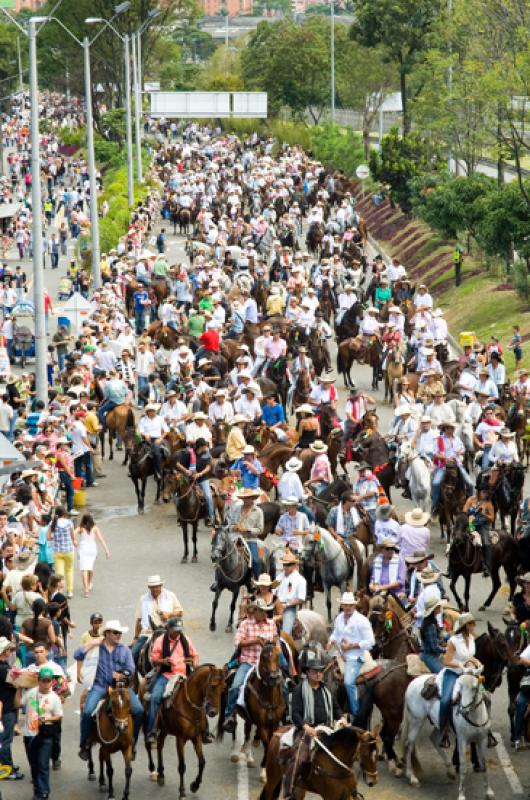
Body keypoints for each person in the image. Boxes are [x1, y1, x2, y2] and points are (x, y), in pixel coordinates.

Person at [75, 619, 144, 760]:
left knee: (139, 710)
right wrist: (92, 643)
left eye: (120, 633)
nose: (119, 635)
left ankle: (133, 742)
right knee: (87, 711)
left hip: (120, 688)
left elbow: (130, 668)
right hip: (100, 686)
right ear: (107, 634)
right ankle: (85, 744)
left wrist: (122, 674)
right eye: (115, 633)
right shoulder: (96, 647)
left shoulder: (124, 650)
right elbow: (77, 655)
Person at [281, 651, 345, 800]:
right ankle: (289, 789)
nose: (319, 674)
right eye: (315, 671)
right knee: (299, 756)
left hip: (327, 729)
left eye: (321, 671)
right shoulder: (299, 690)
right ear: (308, 673)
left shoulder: (326, 690)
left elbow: (336, 708)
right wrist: (305, 726)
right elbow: (295, 713)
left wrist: (342, 717)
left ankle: (348, 789)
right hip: (306, 731)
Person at [222, 598, 278, 732]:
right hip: (249, 661)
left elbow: (275, 639)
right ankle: (229, 715)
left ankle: (284, 713)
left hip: (266, 662)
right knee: (235, 686)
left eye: (266, 611)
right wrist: (256, 641)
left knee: (284, 684)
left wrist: (271, 644)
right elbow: (237, 642)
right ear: (255, 611)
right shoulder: (246, 624)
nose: (265, 614)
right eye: (262, 611)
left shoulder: (271, 624)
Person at [146, 617, 199, 743]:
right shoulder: (160, 641)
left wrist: (194, 663)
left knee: (200, 695)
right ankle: (151, 731)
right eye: (175, 630)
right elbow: (154, 659)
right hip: (167, 675)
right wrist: (163, 661)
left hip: (184, 674)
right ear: (168, 628)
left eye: (179, 630)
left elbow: (195, 655)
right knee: (155, 698)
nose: (178, 633)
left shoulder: (185, 639)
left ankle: (204, 729)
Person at [327, 592, 375, 718]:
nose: (347, 607)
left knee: (348, 682)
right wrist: (330, 641)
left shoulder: (362, 621)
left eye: (350, 605)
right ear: (342, 605)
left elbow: (371, 642)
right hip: (339, 653)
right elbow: (336, 634)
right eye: (345, 605)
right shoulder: (339, 618)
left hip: (354, 656)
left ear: (354, 606)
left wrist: (352, 646)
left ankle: (356, 712)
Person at [439, 613, 482, 748]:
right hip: (453, 673)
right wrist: (460, 665)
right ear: (465, 626)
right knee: (446, 699)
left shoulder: (471, 638)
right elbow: (447, 661)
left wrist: (477, 662)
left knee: (484, 695)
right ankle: (443, 731)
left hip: (469, 672)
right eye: (471, 623)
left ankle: (484, 727)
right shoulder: (453, 641)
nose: (474, 626)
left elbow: (470, 656)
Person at [23, 666, 63, 800]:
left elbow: (59, 716)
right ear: (38, 680)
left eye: (48, 681)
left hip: (45, 735)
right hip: (29, 734)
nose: (45, 683)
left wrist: (47, 718)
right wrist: (18, 688)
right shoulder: (30, 693)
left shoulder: (54, 697)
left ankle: (44, 792)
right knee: (34, 765)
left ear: (52, 682)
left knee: (43, 765)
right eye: (43, 680)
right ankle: (37, 789)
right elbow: (18, 704)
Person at [131, 576, 182, 663]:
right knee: (133, 654)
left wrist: (169, 614)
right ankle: (130, 675)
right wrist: (136, 637)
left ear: (161, 585)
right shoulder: (143, 599)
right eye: (152, 587)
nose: (155, 589)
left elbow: (180, 612)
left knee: (186, 649)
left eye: (157, 586)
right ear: (149, 587)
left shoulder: (170, 595)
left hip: (169, 631)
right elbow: (139, 620)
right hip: (148, 633)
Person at [175, 438, 215, 525]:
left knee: (208, 496)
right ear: (200, 447)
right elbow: (177, 464)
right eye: (205, 446)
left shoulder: (206, 454)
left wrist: (199, 474)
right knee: (177, 495)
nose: (206, 448)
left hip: (202, 478)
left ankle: (210, 517)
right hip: (187, 478)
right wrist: (186, 471)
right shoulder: (188, 453)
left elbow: (208, 467)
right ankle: (180, 516)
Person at [228, 488, 264, 580]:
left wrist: (247, 530)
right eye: (244, 498)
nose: (245, 500)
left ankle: (257, 582)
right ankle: (219, 581)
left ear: (252, 498)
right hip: (237, 538)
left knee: (255, 561)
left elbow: (260, 529)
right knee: (221, 555)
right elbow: (231, 524)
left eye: (248, 498)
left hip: (250, 539)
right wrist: (234, 527)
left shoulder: (258, 511)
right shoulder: (237, 509)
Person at [0, 636, 23, 781]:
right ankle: (7, 769)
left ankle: (9, 765)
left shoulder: (3, 666)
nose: (11, 651)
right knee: (5, 740)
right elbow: (17, 682)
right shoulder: (2, 669)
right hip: (6, 708)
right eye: (9, 649)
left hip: (6, 706)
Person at [75, 513, 110, 597]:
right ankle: (89, 583)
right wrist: (107, 551)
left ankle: (86, 590)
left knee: (84, 570)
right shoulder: (95, 528)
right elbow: (101, 540)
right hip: (92, 550)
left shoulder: (80, 528)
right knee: (90, 568)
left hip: (83, 549)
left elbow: (73, 533)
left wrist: (74, 541)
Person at [463, 488, 495, 576]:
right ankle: (451, 565)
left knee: (486, 542)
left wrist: (483, 514)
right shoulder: (471, 500)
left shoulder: (488, 504)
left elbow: (492, 518)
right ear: (479, 492)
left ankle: (487, 567)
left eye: (487, 492)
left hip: (482, 526)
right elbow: (464, 511)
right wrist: (468, 515)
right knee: (458, 537)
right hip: (470, 524)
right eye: (484, 491)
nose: (486, 494)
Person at [275, 551, 307, 635]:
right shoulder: (279, 577)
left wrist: (287, 604)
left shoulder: (300, 580)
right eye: (284, 564)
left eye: (288, 565)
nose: (285, 567)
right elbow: (273, 592)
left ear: (294, 565)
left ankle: (285, 644)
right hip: (275, 606)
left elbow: (301, 599)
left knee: (285, 632)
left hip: (288, 609)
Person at [138, 404, 168, 480]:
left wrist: (161, 438)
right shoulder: (143, 419)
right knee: (134, 450)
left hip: (157, 439)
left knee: (156, 453)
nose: (152, 412)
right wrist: (145, 435)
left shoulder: (160, 419)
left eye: (154, 411)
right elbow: (140, 431)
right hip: (146, 438)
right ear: (147, 412)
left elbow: (166, 430)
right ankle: (133, 469)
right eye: (151, 411)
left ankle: (158, 472)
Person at [419, 598, 445, 673]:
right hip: (429, 656)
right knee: (443, 673)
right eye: (439, 606)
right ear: (435, 609)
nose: (440, 607)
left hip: (428, 653)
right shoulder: (431, 626)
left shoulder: (430, 621)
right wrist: (446, 649)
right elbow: (435, 648)